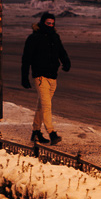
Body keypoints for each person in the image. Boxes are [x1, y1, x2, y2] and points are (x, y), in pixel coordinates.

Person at [21, 11, 70, 145]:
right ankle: (52, 133)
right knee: (47, 106)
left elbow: (61, 51)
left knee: (42, 106)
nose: (51, 25)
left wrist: (66, 62)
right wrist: (24, 77)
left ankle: (36, 132)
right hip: (40, 76)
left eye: (53, 23)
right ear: (42, 23)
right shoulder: (34, 38)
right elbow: (26, 59)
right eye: (48, 23)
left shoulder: (55, 37)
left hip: (52, 77)